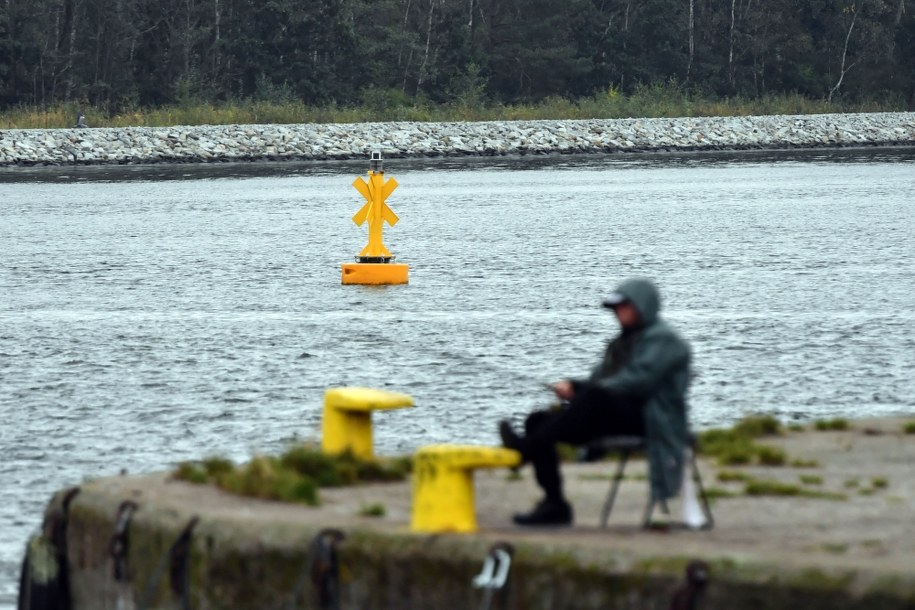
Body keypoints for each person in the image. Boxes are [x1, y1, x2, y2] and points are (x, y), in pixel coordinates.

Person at [498, 277, 692, 526]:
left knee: (593, 397)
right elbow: (599, 382)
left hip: (651, 418)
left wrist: (582, 389)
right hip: (613, 415)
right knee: (538, 420)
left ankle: (524, 450)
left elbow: (636, 382)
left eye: (624, 307)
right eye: (617, 309)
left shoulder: (664, 340)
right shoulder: (620, 343)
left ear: (643, 306)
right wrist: (573, 389)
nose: (618, 314)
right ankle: (555, 505)